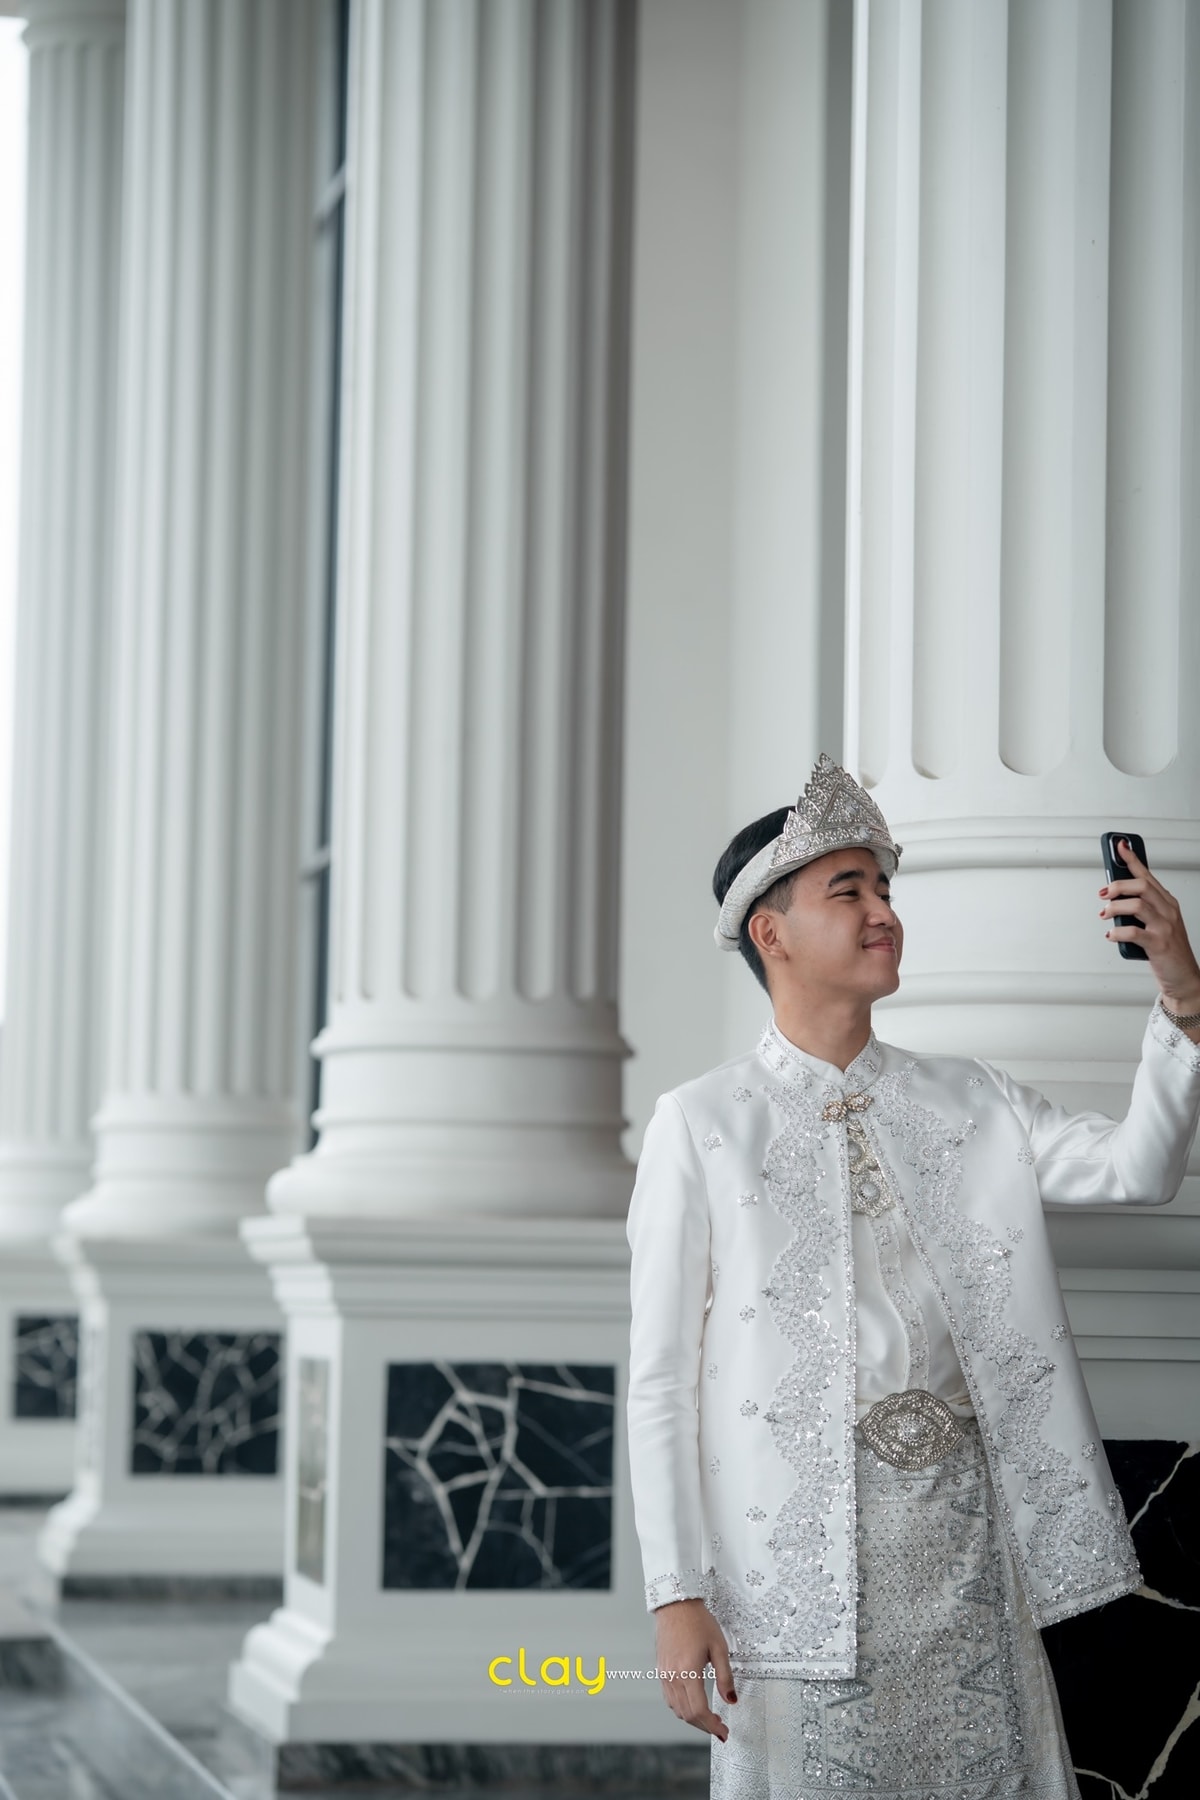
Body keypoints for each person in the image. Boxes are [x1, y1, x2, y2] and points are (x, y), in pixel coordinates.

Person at [624, 754, 1200, 1799]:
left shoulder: (972, 1100)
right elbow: (660, 1379)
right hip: (789, 1552)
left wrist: (1182, 995)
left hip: (968, 1538)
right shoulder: (699, 1124)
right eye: (848, 890)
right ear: (770, 931)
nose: (883, 912)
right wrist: (676, 1594)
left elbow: (1139, 1170)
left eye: (885, 889)